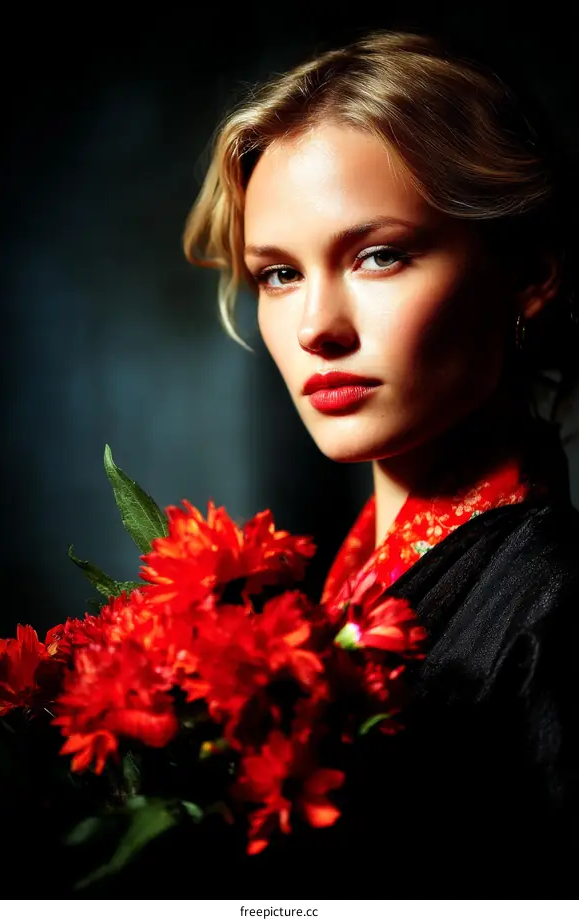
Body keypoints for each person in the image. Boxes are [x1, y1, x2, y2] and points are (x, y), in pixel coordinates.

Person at [181, 30, 579, 893]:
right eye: (279, 274)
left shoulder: (556, 605)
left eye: (378, 255)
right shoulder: (333, 591)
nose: (318, 327)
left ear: (528, 275)